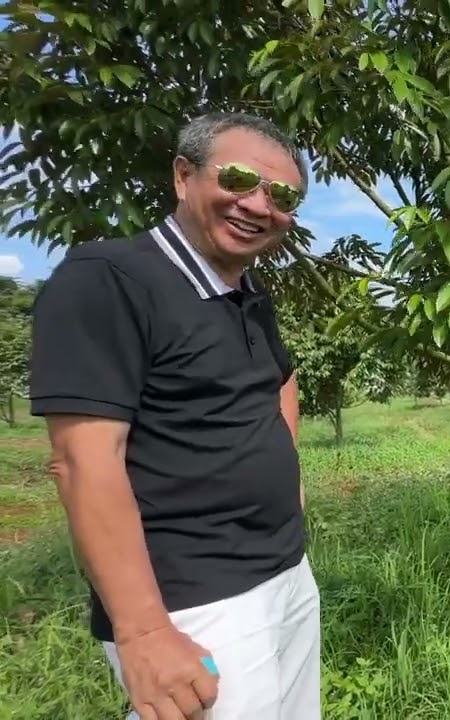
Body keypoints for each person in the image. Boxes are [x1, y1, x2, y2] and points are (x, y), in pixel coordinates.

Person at [29, 112, 320, 719]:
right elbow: (84, 462)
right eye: (239, 179)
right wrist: (143, 633)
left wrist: (288, 488)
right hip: (196, 608)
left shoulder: (246, 292)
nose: (259, 205)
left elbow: (281, 380)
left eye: (283, 195)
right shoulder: (110, 280)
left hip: (286, 576)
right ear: (183, 176)